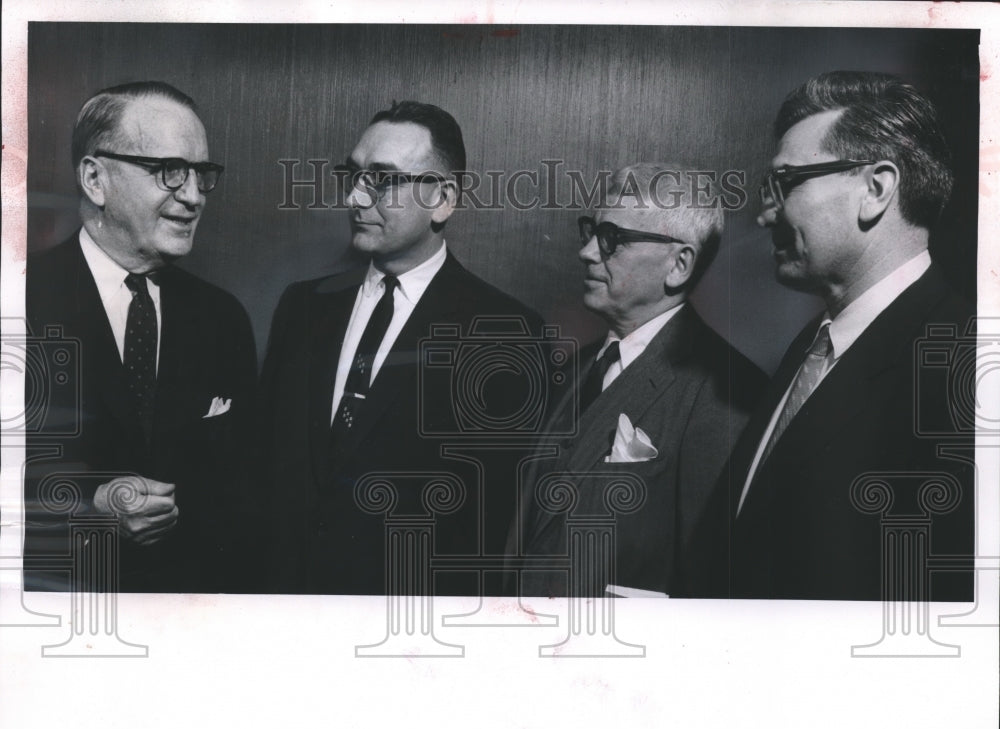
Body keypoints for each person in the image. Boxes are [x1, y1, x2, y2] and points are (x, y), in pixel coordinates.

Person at [260, 100, 542, 595]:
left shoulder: (505, 333)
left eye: (383, 180)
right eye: (354, 175)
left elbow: (492, 527)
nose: (354, 197)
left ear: (444, 198)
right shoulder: (302, 307)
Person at [719, 71, 975, 600]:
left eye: (786, 183)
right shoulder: (813, 346)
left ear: (876, 190)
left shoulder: (966, 367)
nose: (764, 214)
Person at [25, 81, 257, 593]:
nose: (193, 195)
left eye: (201, 174)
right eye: (168, 171)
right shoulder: (16, 303)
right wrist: (90, 508)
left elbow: (241, 498)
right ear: (95, 178)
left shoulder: (223, 319)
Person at [510, 163, 765, 598]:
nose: (587, 252)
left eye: (613, 240)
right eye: (591, 232)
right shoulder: (574, 370)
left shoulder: (726, 392)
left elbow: (706, 583)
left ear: (679, 265)